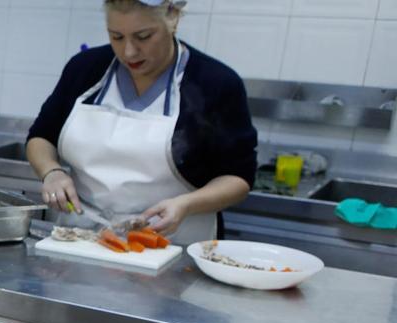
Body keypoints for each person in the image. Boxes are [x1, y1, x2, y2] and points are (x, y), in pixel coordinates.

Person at [25, 0, 256, 244]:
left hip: (172, 244)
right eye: (116, 37)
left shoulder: (215, 83)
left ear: (173, 18)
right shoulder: (84, 69)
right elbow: (41, 136)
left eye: (143, 37)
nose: (129, 52)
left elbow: (238, 178)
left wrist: (185, 204)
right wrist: (51, 172)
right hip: (80, 238)